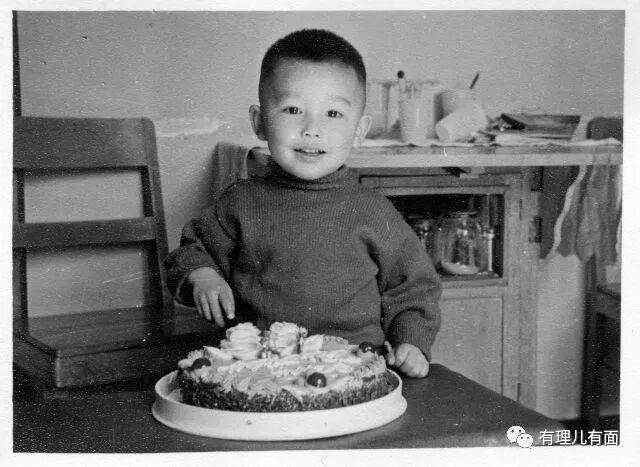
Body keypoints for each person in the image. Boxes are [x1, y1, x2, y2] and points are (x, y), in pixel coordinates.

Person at [165, 29, 441, 377]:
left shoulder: (374, 211)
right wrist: (203, 277)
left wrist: (411, 342)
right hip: (257, 371)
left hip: (352, 369)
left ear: (359, 130)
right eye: (293, 109)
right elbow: (191, 252)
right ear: (259, 122)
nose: (312, 128)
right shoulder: (240, 202)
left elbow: (414, 289)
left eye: (333, 114)